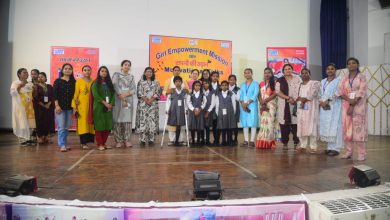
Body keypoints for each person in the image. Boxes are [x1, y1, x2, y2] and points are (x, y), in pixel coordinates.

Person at [338, 57, 368, 161]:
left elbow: (362, 90)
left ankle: (361, 153)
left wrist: (353, 103)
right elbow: (340, 91)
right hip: (346, 104)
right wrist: (348, 101)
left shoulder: (361, 76)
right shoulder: (344, 78)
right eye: (349, 63)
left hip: (359, 105)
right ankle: (349, 152)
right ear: (347, 66)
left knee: (359, 129)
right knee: (347, 129)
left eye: (353, 63)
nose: (351, 65)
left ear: (357, 64)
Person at [275, 64, 302, 150]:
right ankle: (285, 142)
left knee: (295, 124)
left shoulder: (298, 78)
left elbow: (302, 89)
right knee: (284, 125)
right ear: (283, 71)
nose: (287, 70)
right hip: (284, 104)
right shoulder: (280, 80)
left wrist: (297, 99)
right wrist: (288, 98)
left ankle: (296, 141)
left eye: (289, 69)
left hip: (296, 104)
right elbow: (277, 92)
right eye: (285, 69)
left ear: (292, 69)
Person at [319, 63, 343, 156]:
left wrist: (328, 100)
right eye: (328, 69)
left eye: (332, 69)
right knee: (326, 126)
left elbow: (339, 92)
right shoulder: (323, 81)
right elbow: (320, 93)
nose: (330, 70)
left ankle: (336, 149)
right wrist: (321, 101)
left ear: (335, 70)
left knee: (335, 127)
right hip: (324, 106)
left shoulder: (339, 80)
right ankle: (329, 148)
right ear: (326, 71)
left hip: (335, 106)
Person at [112, 60, 136, 148]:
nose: (127, 66)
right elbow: (114, 85)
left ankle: (127, 140)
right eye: (125, 65)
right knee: (117, 119)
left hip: (128, 100)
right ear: (121, 66)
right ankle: (118, 140)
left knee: (127, 120)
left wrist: (126, 94)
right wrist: (120, 95)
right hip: (118, 100)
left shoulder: (132, 77)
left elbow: (134, 89)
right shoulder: (116, 75)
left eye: (129, 65)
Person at [162, 66, 189, 146]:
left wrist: (187, 90)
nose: (177, 71)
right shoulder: (168, 80)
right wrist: (168, 92)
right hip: (173, 106)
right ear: (172, 71)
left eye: (178, 70)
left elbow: (187, 91)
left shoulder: (183, 80)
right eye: (175, 70)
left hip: (181, 108)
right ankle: (172, 140)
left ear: (180, 71)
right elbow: (164, 92)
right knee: (172, 125)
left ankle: (181, 140)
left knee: (181, 124)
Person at [296, 68, 320, 153]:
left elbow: (313, 94)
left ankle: (313, 146)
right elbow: (297, 96)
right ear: (301, 75)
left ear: (310, 74)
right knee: (302, 125)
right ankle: (303, 145)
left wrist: (303, 100)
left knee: (312, 125)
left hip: (311, 107)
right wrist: (300, 100)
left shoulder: (315, 83)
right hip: (301, 108)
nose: (304, 74)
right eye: (303, 73)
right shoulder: (300, 84)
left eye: (306, 73)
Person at [10, 68, 36, 145]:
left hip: (29, 107)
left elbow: (33, 96)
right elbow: (13, 93)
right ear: (19, 74)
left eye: (27, 73)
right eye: (24, 72)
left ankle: (28, 138)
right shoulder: (15, 83)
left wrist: (34, 90)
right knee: (22, 122)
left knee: (30, 123)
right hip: (20, 107)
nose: (26, 74)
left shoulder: (30, 84)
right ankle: (22, 139)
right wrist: (20, 86)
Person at [135, 67, 161, 146]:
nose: (149, 73)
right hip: (143, 105)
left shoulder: (156, 82)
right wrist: (146, 100)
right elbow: (139, 92)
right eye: (147, 72)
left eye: (150, 72)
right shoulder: (141, 82)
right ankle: (142, 140)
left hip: (153, 105)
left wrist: (151, 100)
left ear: (152, 73)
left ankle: (151, 140)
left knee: (152, 122)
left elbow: (158, 92)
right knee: (143, 122)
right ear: (145, 73)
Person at [91, 66, 115, 151]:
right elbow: (95, 95)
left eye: (105, 71)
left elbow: (113, 95)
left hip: (109, 107)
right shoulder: (95, 83)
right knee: (99, 126)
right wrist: (105, 103)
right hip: (99, 107)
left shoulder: (109, 84)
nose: (104, 72)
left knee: (108, 126)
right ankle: (100, 144)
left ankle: (104, 143)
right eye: (102, 71)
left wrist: (111, 104)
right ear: (99, 72)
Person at [53, 63, 76, 152]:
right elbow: (55, 95)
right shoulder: (58, 81)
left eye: (69, 68)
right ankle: (62, 144)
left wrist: (74, 108)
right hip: (60, 108)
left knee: (66, 127)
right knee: (61, 127)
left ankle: (65, 143)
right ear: (62, 70)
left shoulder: (74, 82)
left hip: (70, 108)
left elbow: (75, 96)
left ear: (72, 70)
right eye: (65, 68)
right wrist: (57, 105)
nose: (67, 70)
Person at [256, 68, 280, 149]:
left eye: (269, 73)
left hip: (271, 106)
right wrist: (261, 102)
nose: (267, 74)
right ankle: (262, 142)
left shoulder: (275, 82)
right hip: (262, 105)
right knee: (263, 124)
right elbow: (258, 94)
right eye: (265, 73)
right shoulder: (261, 83)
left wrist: (266, 101)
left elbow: (275, 94)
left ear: (272, 74)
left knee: (270, 123)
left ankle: (270, 142)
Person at [72, 65, 95, 149]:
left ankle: (88, 141)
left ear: (91, 71)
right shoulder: (79, 82)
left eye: (88, 70)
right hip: (81, 107)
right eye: (85, 70)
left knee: (90, 123)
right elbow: (75, 95)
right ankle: (83, 143)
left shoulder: (93, 82)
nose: (87, 71)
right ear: (82, 72)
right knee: (83, 125)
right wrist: (75, 108)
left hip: (91, 106)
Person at [32, 72, 54, 144]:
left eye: (42, 77)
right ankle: (40, 137)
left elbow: (53, 96)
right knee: (39, 122)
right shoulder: (35, 86)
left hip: (49, 107)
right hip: (39, 108)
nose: (40, 78)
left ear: (45, 78)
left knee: (48, 121)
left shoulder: (49, 86)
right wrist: (43, 105)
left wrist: (49, 104)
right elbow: (35, 98)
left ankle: (46, 136)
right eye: (39, 77)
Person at [239, 68, 259, 147]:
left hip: (252, 105)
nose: (247, 74)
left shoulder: (255, 84)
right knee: (245, 123)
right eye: (245, 73)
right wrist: (242, 104)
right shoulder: (242, 85)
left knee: (253, 123)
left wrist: (248, 103)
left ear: (252, 73)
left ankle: (252, 141)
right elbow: (241, 96)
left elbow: (255, 94)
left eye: (248, 73)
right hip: (243, 106)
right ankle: (246, 140)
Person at [216, 80, 237, 146]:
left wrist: (233, 112)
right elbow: (217, 105)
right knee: (223, 127)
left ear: (228, 86)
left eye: (226, 85)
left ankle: (229, 141)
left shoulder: (231, 94)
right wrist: (218, 113)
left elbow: (234, 104)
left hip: (230, 113)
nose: (224, 86)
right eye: (223, 85)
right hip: (221, 113)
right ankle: (223, 141)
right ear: (221, 86)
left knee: (229, 127)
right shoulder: (218, 94)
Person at [186, 80, 207, 146]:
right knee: (192, 127)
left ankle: (198, 141)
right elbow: (188, 102)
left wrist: (200, 110)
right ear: (193, 86)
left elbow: (204, 103)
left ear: (200, 87)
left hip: (200, 112)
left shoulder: (202, 94)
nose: (197, 87)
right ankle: (193, 141)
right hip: (192, 112)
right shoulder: (190, 94)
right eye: (196, 86)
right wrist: (194, 110)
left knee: (199, 127)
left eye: (199, 86)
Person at [202, 79, 216, 146]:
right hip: (201, 112)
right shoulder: (201, 92)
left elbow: (213, 104)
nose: (205, 84)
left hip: (208, 112)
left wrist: (208, 111)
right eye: (204, 83)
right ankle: (201, 140)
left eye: (207, 83)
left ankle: (207, 141)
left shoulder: (212, 93)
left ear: (209, 84)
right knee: (201, 126)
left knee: (207, 126)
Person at [228, 75, 240, 145]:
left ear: (235, 81)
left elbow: (238, 99)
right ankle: (229, 139)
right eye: (230, 79)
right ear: (228, 80)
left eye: (233, 80)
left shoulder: (238, 89)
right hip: (227, 108)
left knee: (235, 124)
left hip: (235, 108)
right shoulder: (225, 87)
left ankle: (235, 139)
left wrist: (231, 92)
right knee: (228, 124)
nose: (232, 81)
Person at [210, 71, 221, 146]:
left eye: (216, 76)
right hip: (209, 108)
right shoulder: (208, 86)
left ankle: (217, 140)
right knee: (212, 124)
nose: (215, 77)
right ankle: (212, 139)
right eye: (213, 76)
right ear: (211, 77)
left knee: (218, 123)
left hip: (218, 108)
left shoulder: (220, 86)